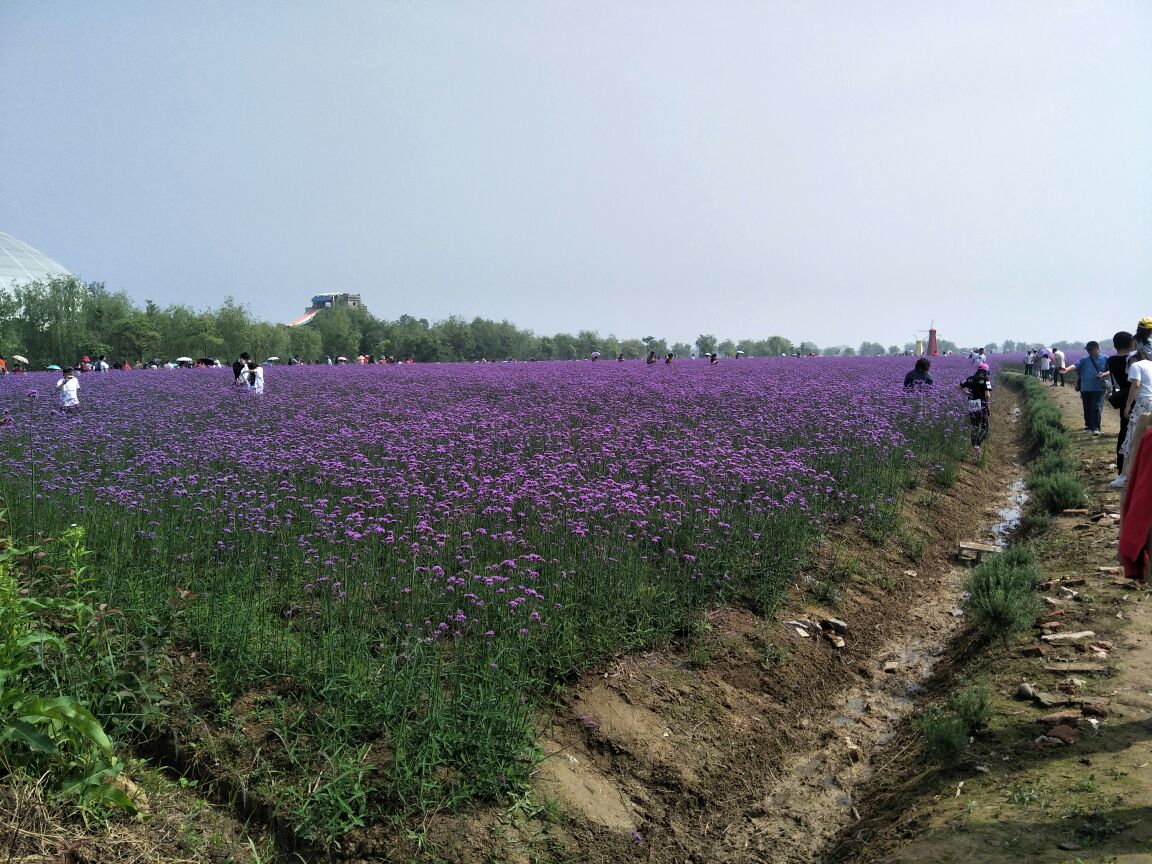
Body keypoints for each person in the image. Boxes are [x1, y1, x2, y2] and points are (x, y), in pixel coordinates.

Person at [1115, 345, 1152, 487]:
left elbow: (1135, 385)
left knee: (1131, 438)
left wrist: (1128, 405)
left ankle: (1124, 476)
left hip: (1143, 403)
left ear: (1134, 359)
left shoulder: (1136, 366)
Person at [1107, 331, 1134, 483]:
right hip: (1135, 397)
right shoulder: (1133, 360)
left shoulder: (1111, 360)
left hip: (1123, 398)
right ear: (1131, 343)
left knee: (1124, 432)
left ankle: (1121, 470)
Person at [1069, 341, 1110, 434]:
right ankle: (1088, 426)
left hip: (1099, 388)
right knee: (1087, 407)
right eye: (1087, 350)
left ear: (1097, 348)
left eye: (1091, 349)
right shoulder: (1084, 359)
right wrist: (1067, 369)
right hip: (1085, 388)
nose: (1089, 351)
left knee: (1096, 407)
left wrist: (1103, 374)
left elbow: (1111, 371)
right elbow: (1075, 366)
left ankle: (1096, 428)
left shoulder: (1105, 358)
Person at [959, 363, 992, 448]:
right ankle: (977, 444)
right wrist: (988, 405)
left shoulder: (970, 379)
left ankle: (974, 446)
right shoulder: (985, 379)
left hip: (972, 404)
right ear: (985, 372)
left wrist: (965, 392)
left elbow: (959, 386)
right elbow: (987, 395)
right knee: (985, 427)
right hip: (982, 404)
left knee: (975, 426)